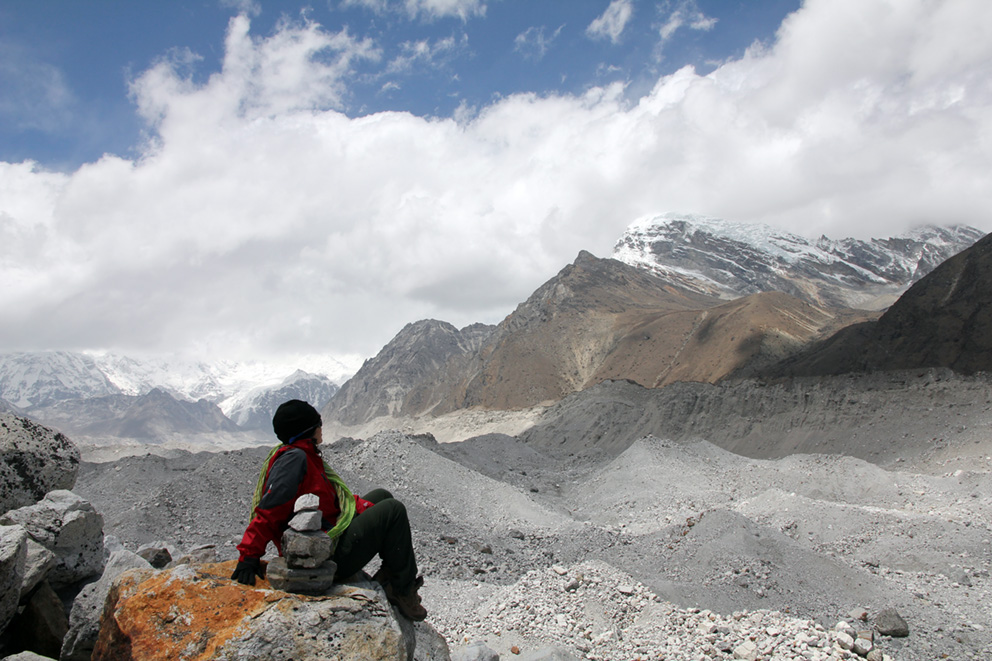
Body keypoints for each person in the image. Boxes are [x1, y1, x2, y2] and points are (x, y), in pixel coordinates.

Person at [231, 399, 427, 621]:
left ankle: (391, 576)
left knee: (382, 496)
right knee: (393, 510)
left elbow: (331, 501)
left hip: (327, 533)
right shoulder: (295, 460)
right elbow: (270, 511)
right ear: (308, 430)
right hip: (322, 555)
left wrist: (365, 508)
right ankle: (402, 589)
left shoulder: (304, 454)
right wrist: (249, 556)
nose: (322, 428)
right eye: (318, 424)